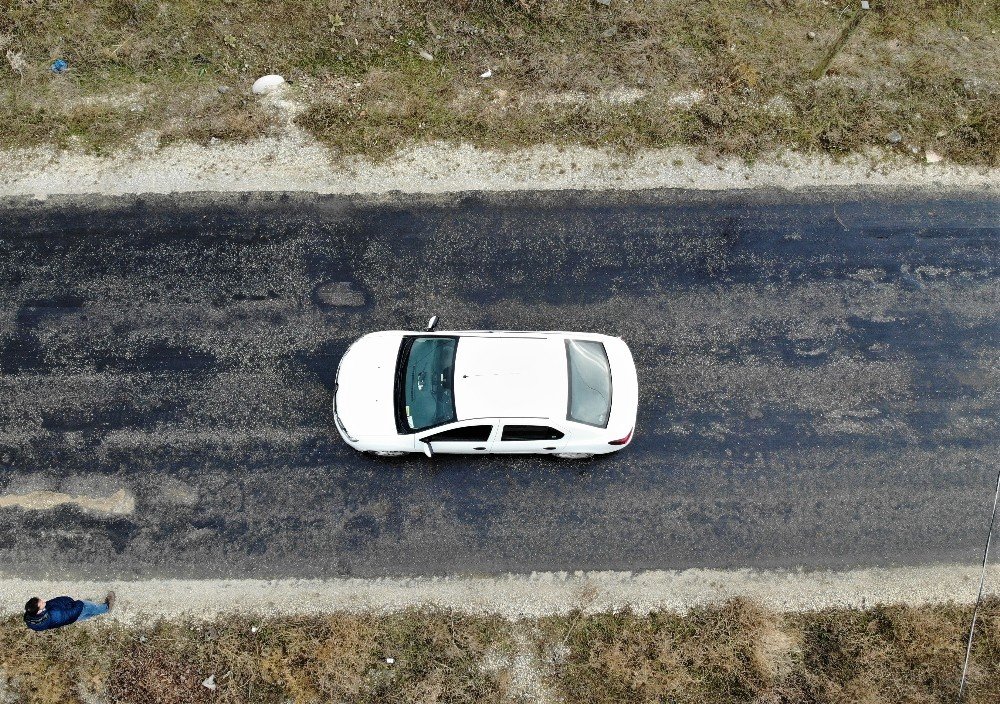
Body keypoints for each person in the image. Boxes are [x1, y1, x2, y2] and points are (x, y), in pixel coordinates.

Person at [23, 591, 116, 631]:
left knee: (88, 615)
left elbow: (54, 604)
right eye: (41, 602)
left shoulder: (31, 619)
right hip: (76, 612)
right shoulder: (56, 615)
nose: (43, 600)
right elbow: (71, 613)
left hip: (72, 617)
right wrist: (80, 603)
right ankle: (106, 608)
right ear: (39, 612)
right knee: (89, 607)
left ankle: (95, 611)